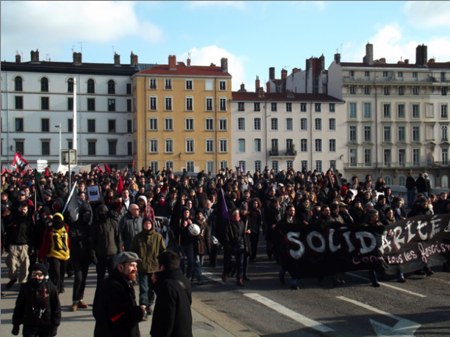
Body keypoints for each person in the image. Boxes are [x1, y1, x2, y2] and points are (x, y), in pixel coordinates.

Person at [93, 251, 146, 337]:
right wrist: (140, 312)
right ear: (120, 267)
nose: (135, 269)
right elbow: (119, 318)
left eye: (136, 266)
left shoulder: (123, 282)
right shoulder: (114, 287)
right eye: (132, 265)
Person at [150, 250, 193, 337]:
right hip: (185, 329)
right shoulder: (184, 280)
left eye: (157, 265)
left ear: (162, 267)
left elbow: (166, 318)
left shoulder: (167, 286)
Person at [12, 263, 61, 337]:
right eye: (34, 274)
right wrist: (16, 325)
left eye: (40, 274)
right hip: (30, 323)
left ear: (44, 275)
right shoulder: (25, 287)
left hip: (46, 324)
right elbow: (19, 307)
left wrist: (54, 326)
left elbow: (56, 308)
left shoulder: (51, 288)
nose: (37, 277)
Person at [131, 217, 166, 320]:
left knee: (152, 290)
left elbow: (163, 250)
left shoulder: (158, 237)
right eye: (145, 224)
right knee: (144, 288)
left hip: (154, 268)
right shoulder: (138, 237)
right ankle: (143, 308)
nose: (147, 225)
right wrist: (136, 263)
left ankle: (149, 305)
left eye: (149, 224)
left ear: (152, 225)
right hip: (142, 267)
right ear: (143, 225)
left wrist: (162, 264)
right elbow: (134, 251)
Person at [39, 212, 70, 294]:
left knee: (62, 273)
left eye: (59, 219)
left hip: (65, 255)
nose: (57, 221)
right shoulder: (50, 230)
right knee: (56, 273)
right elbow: (45, 243)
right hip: (53, 254)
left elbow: (69, 241)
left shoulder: (66, 228)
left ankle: (61, 285)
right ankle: (55, 289)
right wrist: (42, 255)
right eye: (55, 219)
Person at [5, 201, 33, 289]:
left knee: (25, 266)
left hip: (24, 245)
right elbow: (8, 233)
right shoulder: (13, 219)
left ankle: (23, 283)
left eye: (25, 209)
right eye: (21, 208)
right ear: (18, 208)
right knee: (12, 265)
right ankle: (13, 278)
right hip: (13, 245)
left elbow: (32, 234)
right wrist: (6, 245)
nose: (23, 210)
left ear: (27, 210)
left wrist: (32, 247)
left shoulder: (29, 220)